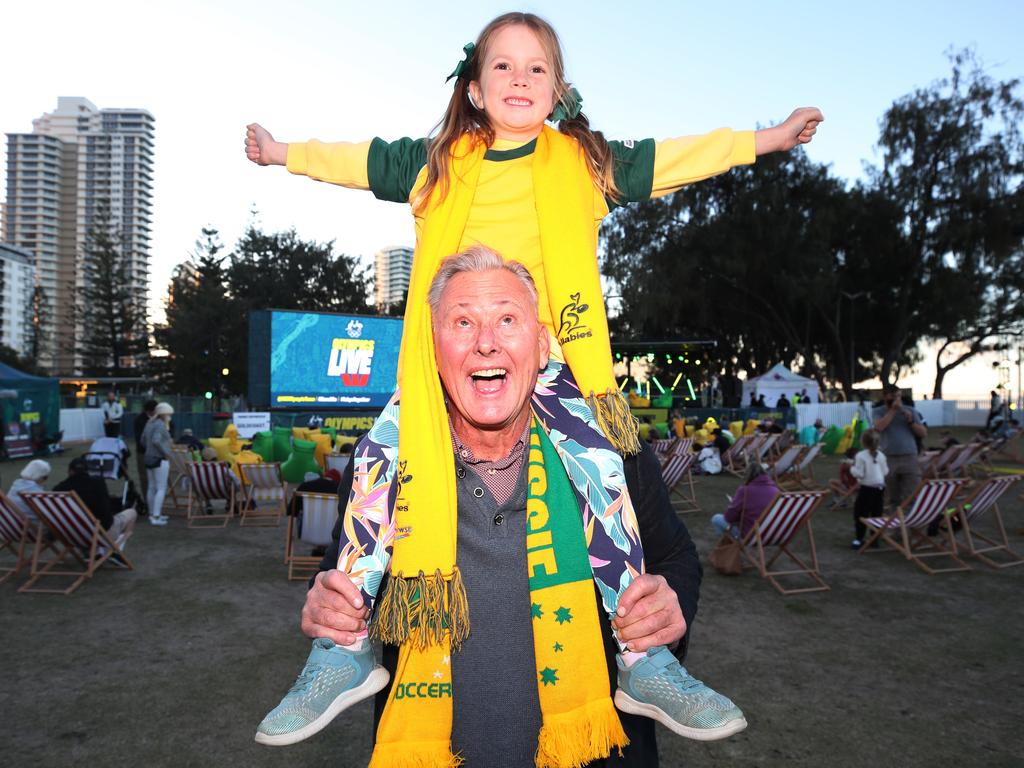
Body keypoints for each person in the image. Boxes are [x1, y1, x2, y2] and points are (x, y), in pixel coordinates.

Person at [247, 8, 814, 750]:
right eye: (503, 67)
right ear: (475, 90)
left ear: (558, 91)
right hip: (438, 366)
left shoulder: (584, 164)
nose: (520, 78)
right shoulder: (439, 164)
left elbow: (674, 158)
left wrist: (769, 138)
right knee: (380, 462)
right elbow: (362, 160)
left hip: (550, 357)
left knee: (603, 468)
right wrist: (282, 151)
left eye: (537, 67)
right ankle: (343, 648)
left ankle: (643, 658)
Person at [257, 252, 743, 764]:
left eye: (507, 320)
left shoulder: (612, 455)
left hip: (597, 751)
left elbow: (676, 557)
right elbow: (352, 584)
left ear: (539, 347)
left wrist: (671, 608)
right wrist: (333, 610)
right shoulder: (377, 468)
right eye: (462, 321)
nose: (485, 341)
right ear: (434, 350)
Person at [54, 457, 137, 550]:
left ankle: (99, 552)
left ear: (70, 471)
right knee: (132, 513)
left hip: (72, 535)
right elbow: (106, 512)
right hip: (98, 533)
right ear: (87, 470)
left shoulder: (59, 489)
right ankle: (115, 551)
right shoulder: (97, 483)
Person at [872, 384, 926, 509]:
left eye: (899, 397)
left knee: (913, 494)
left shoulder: (910, 410)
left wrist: (911, 422)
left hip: (909, 457)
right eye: (894, 396)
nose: (897, 400)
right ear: (885, 396)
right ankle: (897, 525)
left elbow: (923, 433)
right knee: (892, 497)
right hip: (889, 458)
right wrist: (893, 411)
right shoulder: (878, 411)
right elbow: (879, 427)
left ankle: (913, 524)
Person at [711, 461, 778, 540]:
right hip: (773, 534)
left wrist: (733, 504)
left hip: (751, 535)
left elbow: (729, 518)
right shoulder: (776, 490)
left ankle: (725, 547)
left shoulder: (745, 491)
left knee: (716, 518)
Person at [849, 430, 888, 549]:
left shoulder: (860, 455)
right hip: (880, 488)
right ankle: (875, 539)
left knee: (860, 513)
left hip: (867, 488)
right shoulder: (881, 455)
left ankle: (859, 539)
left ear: (863, 442)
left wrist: (851, 468)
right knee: (877, 513)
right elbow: (886, 471)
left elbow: (859, 474)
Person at [141, 402, 175, 526]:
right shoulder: (161, 425)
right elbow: (156, 440)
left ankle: (152, 514)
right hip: (159, 459)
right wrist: (166, 452)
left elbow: (143, 440)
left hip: (148, 457)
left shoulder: (149, 423)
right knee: (161, 488)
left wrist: (149, 449)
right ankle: (156, 515)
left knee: (152, 486)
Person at [133, 400, 157, 514]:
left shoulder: (157, 418)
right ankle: (148, 503)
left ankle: (154, 502)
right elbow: (140, 439)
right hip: (143, 452)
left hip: (154, 452)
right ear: (149, 410)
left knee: (155, 479)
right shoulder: (140, 420)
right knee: (145, 479)